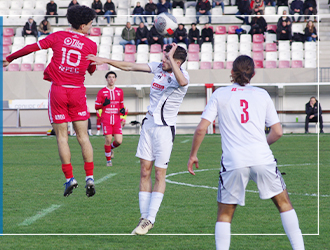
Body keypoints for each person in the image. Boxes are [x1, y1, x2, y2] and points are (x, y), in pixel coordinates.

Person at [187, 55, 305, 250]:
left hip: (234, 160)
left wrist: (193, 155)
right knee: (284, 204)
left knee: (225, 214)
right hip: (262, 157)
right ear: (253, 74)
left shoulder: (220, 94)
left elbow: (201, 129)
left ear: (231, 72)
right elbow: (277, 132)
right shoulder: (262, 94)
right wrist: (262, 145)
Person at [87, 43, 189, 235]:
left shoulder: (182, 76)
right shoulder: (158, 68)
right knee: (144, 171)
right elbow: (129, 66)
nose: (162, 61)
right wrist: (105, 60)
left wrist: (172, 59)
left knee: (160, 174)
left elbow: (183, 82)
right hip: (148, 126)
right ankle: (144, 218)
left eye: (166, 58)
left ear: (177, 62)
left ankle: (151, 218)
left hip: (165, 130)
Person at [3, 5, 98, 198]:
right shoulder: (91, 45)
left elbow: (31, 47)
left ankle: (70, 178)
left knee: (62, 137)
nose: (91, 28)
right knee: (83, 137)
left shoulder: (58, 37)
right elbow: (91, 70)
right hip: (77, 91)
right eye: (89, 24)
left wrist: (10, 58)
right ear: (82, 25)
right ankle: (90, 177)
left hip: (58, 91)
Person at [95, 71, 125, 166]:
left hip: (116, 119)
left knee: (119, 141)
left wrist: (123, 113)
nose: (111, 79)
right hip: (106, 118)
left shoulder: (119, 91)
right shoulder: (101, 92)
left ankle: (111, 148)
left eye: (113, 77)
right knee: (108, 139)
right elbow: (96, 106)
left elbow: (121, 105)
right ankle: (108, 161)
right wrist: (103, 104)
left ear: (115, 79)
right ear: (106, 79)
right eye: (109, 77)